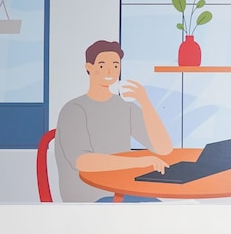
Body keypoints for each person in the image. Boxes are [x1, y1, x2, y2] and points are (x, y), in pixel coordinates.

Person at [55, 40, 173, 202]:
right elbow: (83, 162)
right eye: (102, 65)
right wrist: (139, 162)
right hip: (90, 196)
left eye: (116, 65)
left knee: (160, 210)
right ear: (89, 67)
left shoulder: (125, 106)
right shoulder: (74, 109)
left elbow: (163, 148)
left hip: (122, 190)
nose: (110, 70)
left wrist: (145, 103)